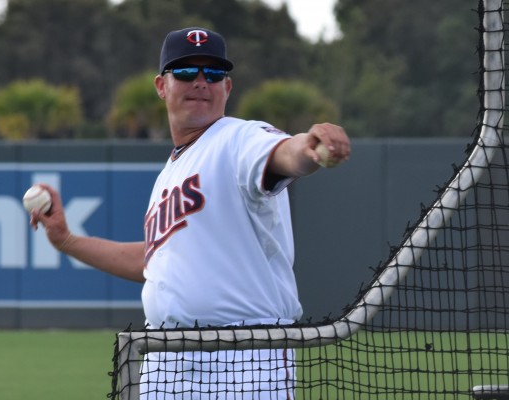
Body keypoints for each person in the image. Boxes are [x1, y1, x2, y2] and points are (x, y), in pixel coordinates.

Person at [32, 27, 350, 399]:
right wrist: (67, 241)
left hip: (246, 354)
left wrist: (307, 148)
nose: (201, 82)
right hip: (167, 356)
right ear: (161, 85)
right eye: (186, 72)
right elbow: (154, 262)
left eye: (213, 74)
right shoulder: (170, 174)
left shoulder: (237, 139)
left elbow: (283, 154)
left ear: (227, 89)